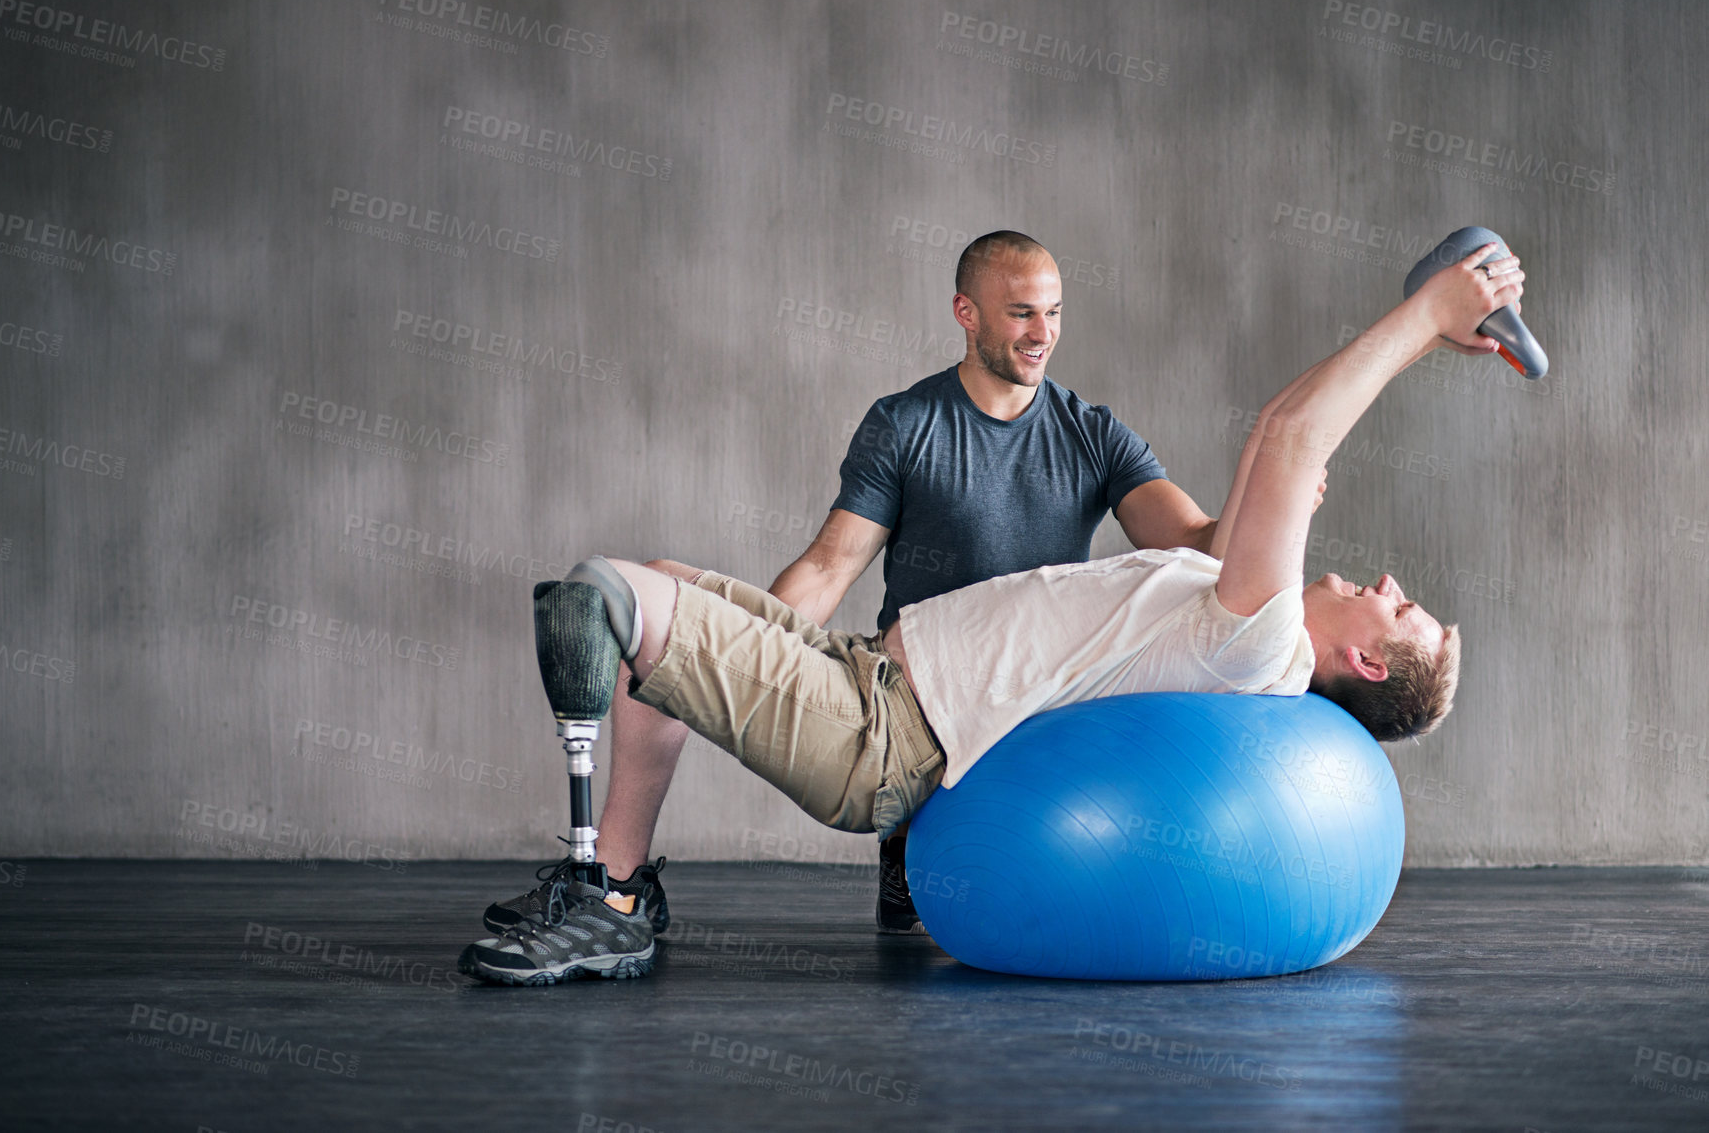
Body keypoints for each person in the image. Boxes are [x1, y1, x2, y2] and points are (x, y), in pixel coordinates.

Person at [456, 241, 1520, 987]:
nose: (1387, 583)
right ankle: (627, 893)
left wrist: (1428, 310)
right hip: (863, 669)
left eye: (1403, 610)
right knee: (660, 581)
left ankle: (603, 895)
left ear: (1368, 665)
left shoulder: (1261, 643)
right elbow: (1254, 474)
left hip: (884, 734)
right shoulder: (1232, 606)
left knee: (608, 590)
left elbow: (1289, 438)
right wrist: (1434, 335)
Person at [477, 231, 1222, 941]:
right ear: (966, 314)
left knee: (660, 616)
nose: (1042, 332)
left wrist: (1270, 491)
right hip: (913, 685)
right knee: (657, 594)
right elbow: (831, 564)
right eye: (1021, 311)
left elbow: (1192, 541)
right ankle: (617, 878)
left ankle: (619, 883)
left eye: (1053, 311)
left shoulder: (1092, 433)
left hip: (1012, 719)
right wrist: (749, 653)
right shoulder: (905, 424)